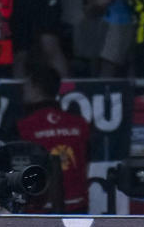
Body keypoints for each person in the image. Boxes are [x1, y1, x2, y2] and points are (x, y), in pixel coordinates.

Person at [16, 66, 90, 214]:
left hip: (39, 210)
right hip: (77, 205)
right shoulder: (80, 123)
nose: (23, 91)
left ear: (35, 88)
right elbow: (87, 162)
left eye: (26, 86)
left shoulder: (23, 126)